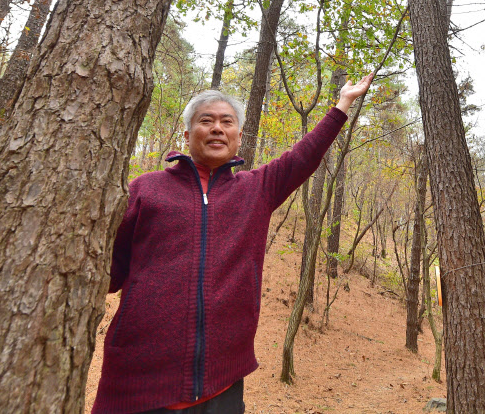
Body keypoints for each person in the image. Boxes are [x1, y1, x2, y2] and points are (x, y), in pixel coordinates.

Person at [91, 73, 374, 414]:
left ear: (239, 137)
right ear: (186, 134)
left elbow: (304, 156)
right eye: (205, 121)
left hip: (221, 385)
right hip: (136, 381)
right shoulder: (144, 189)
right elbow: (106, 270)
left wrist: (342, 104)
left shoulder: (257, 189)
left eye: (227, 122)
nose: (216, 128)